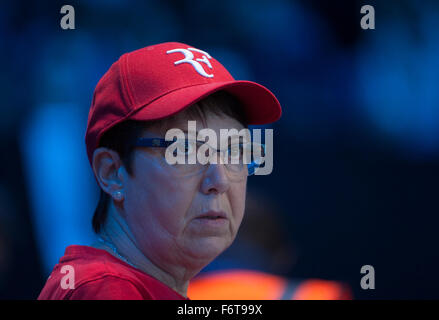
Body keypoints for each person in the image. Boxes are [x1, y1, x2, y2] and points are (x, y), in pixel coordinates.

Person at [37, 42, 282, 300]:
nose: (219, 180)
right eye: (185, 150)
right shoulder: (107, 290)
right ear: (112, 172)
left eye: (235, 151)